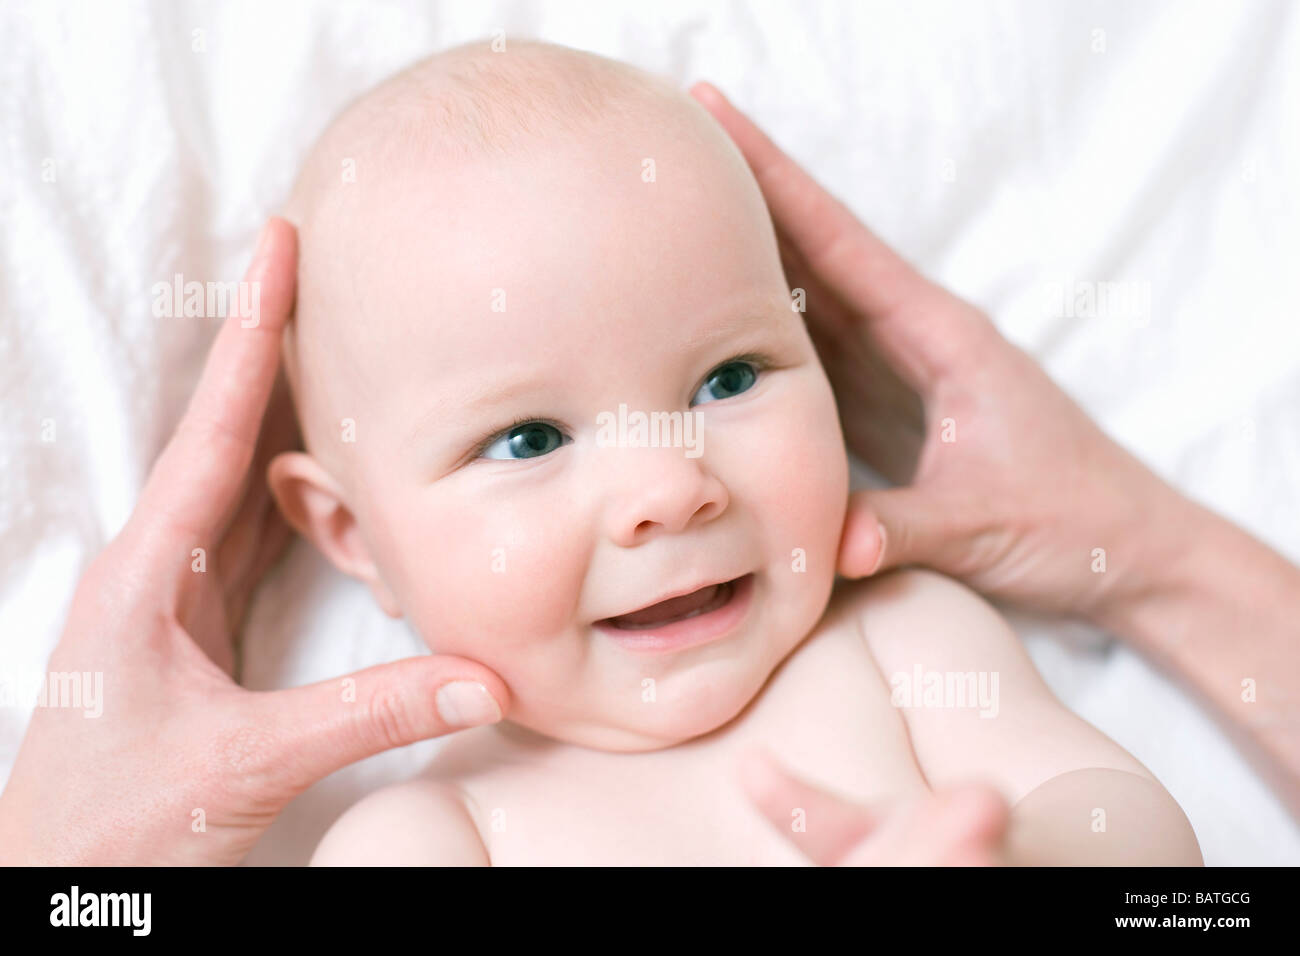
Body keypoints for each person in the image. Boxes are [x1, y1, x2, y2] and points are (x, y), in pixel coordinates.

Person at [1, 70, 1293, 866]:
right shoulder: (427, 834)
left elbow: (1138, 832)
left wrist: (1010, 858)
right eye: (527, 440)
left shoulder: (901, 641)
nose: (672, 488)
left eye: (728, 380)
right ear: (351, 537)